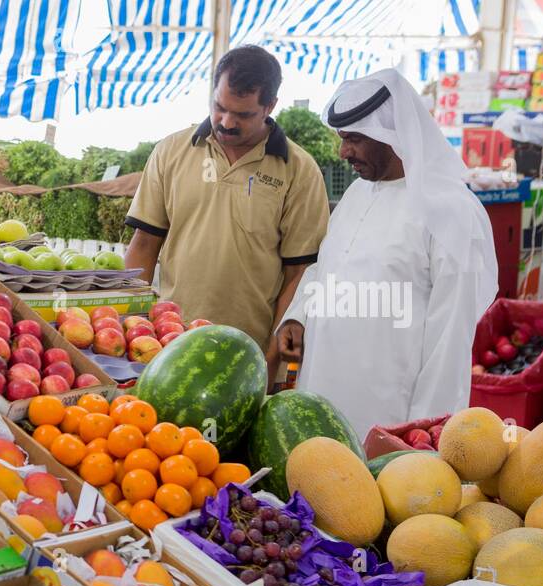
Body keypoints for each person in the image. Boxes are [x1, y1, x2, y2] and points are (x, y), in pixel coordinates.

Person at [274, 69, 497, 438]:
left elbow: (450, 342)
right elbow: (329, 268)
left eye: (355, 139)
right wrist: (298, 317)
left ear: (392, 135)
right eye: (343, 139)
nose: (344, 151)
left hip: (391, 417)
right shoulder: (357, 194)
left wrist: (422, 435)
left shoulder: (451, 212)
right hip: (323, 394)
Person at [125, 45, 329, 356]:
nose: (227, 122)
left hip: (249, 352)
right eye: (219, 106)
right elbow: (143, 245)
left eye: (243, 114)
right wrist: (131, 325)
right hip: (170, 342)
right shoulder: (171, 151)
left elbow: (298, 274)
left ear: (270, 106)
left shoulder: (299, 170)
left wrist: (271, 357)